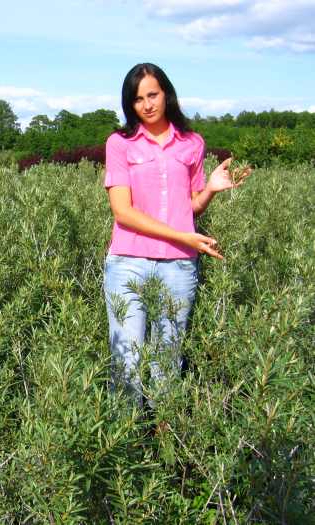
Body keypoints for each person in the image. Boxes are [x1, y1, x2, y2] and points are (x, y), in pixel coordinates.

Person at [103, 63, 249, 408]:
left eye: (152, 95)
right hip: (128, 263)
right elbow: (123, 211)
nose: (147, 104)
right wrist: (183, 237)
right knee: (127, 363)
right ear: (129, 104)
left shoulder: (192, 143)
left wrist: (210, 190)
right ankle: (126, 439)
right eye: (137, 99)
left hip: (178, 267)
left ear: (166, 93)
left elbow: (190, 206)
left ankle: (166, 437)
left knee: (167, 364)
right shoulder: (120, 143)